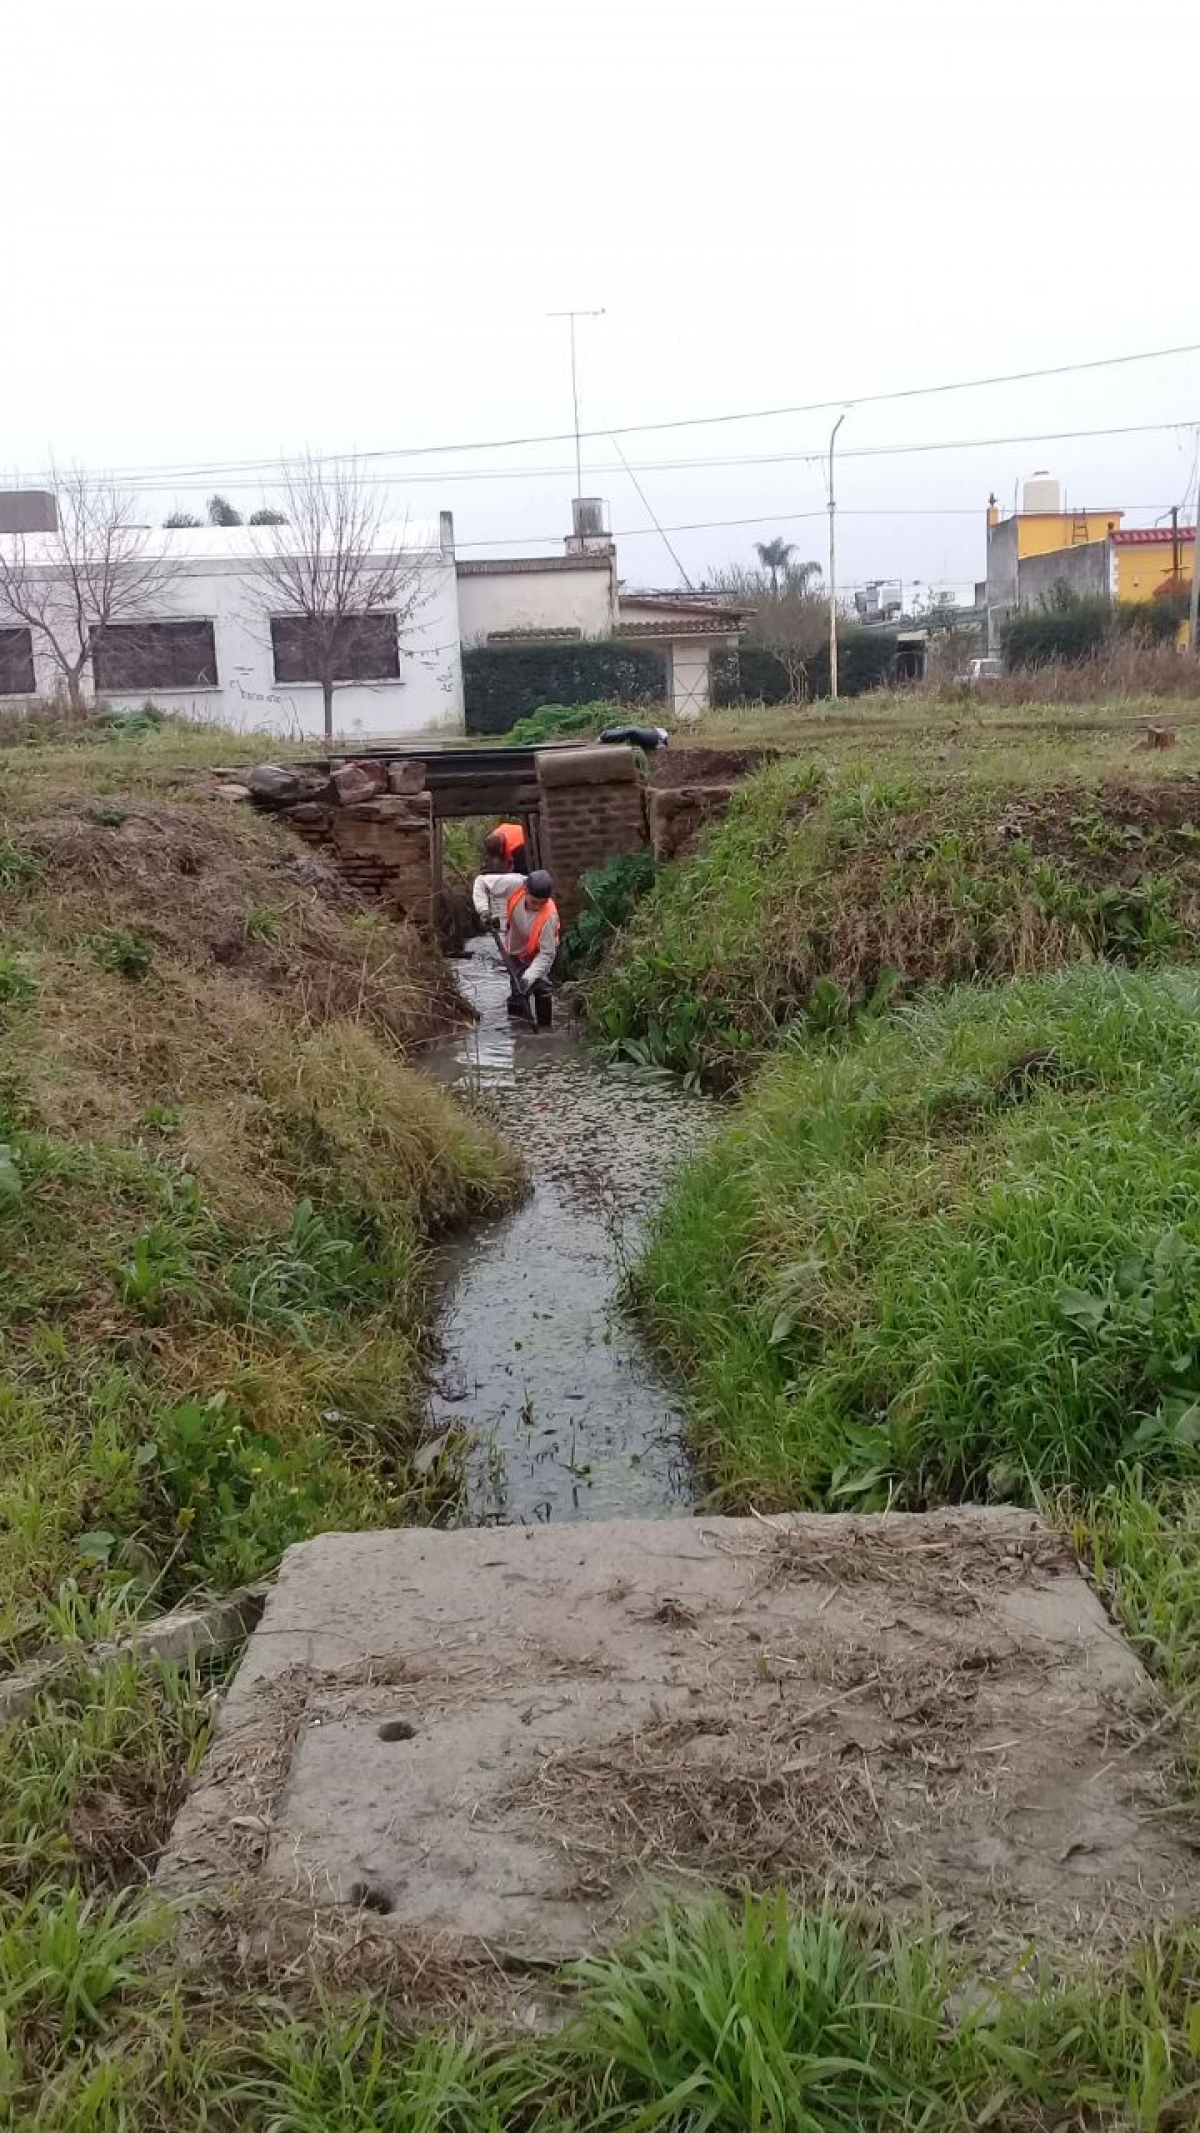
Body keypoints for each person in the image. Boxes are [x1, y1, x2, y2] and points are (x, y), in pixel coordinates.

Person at [471, 862, 560, 1028]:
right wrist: (484, 911)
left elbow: (547, 954)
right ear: (525, 891)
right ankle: (519, 1037)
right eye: (534, 902)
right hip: (515, 951)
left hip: (539, 955)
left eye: (542, 903)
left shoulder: (549, 917)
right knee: (518, 994)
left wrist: (528, 978)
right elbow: (481, 882)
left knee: (542, 989)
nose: (537, 907)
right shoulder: (515, 884)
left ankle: (545, 1033)